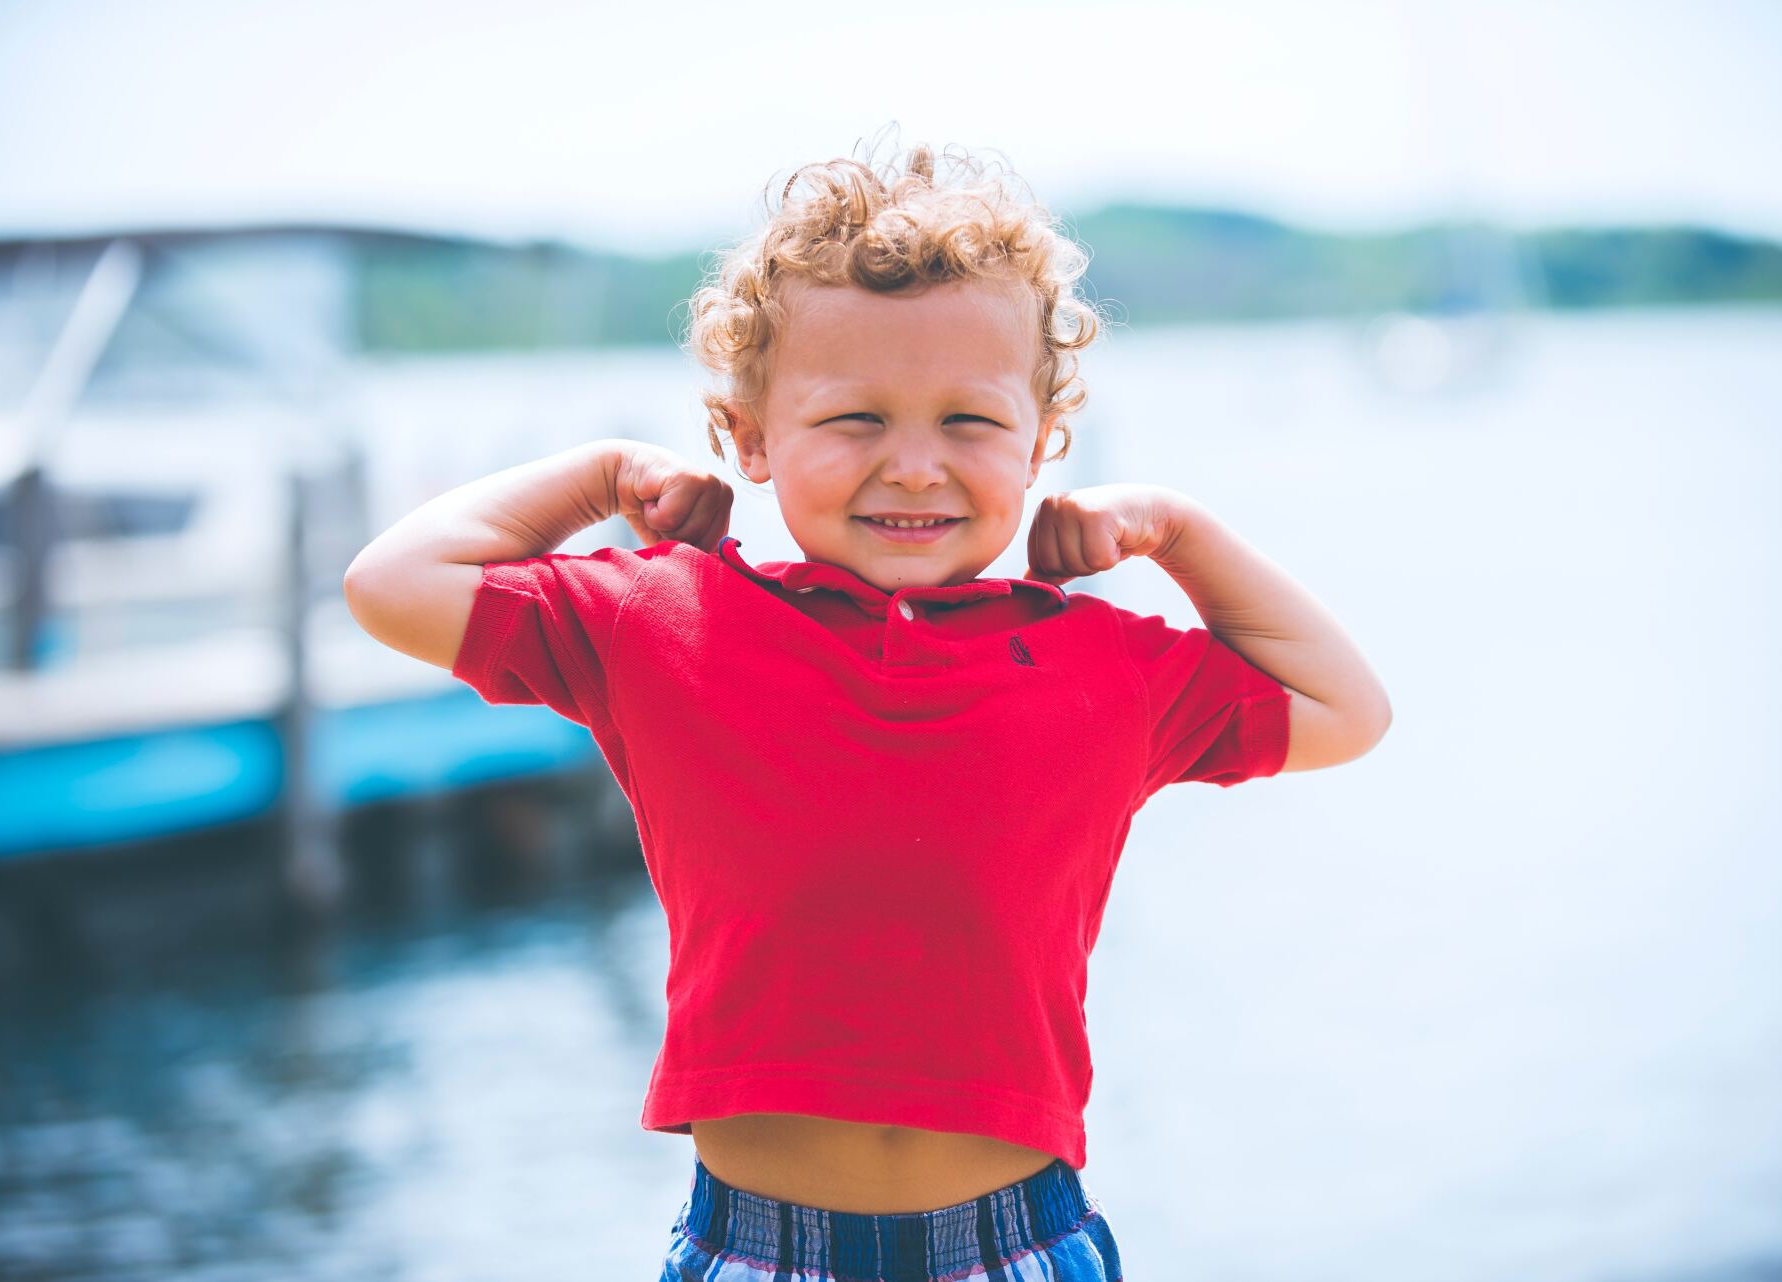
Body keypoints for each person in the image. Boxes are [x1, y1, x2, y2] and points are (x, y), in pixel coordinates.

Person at [344, 133, 1392, 1282]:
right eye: (855, 420)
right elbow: (390, 586)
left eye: (969, 421)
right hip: (755, 1247)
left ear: (1042, 440)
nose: (912, 464)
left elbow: (1347, 708)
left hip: (1018, 1241)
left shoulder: (1103, 661)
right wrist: (598, 476)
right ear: (748, 435)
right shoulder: (662, 621)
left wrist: (1179, 532)